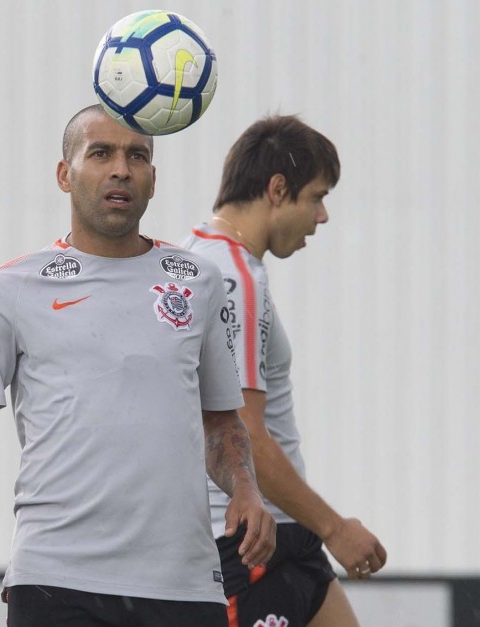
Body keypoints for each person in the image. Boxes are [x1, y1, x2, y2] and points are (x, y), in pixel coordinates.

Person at [0, 104, 276, 626]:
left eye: (137, 156)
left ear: (153, 179)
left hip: (183, 585)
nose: (121, 169)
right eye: (101, 154)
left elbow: (222, 422)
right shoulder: (9, 289)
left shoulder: (197, 283)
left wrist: (247, 490)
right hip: (56, 581)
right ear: (64, 175)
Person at [182, 115, 388, 627]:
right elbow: (246, 437)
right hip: (246, 545)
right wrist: (336, 528)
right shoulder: (233, 278)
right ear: (277, 190)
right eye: (316, 196)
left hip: (286, 537)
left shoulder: (199, 261)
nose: (322, 216)